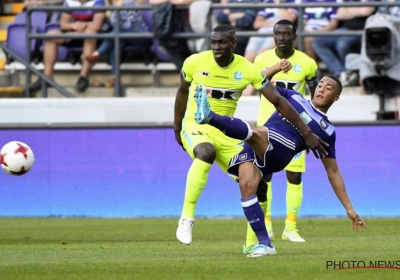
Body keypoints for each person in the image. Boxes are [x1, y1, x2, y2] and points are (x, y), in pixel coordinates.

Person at [174, 24, 327, 246]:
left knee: (260, 183)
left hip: (226, 134)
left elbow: (278, 100)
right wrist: (177, 127)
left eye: (223, 42)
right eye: (214, 42)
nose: (217, 47)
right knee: (206, 152)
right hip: (195, 126)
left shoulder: (247, 69)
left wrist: (307, 131)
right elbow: (182, 91)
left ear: (233, 44)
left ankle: (252, 244)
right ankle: (186, 218)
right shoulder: (194, 62)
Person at [193, 73, 368, 257]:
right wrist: (275, 68)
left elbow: (332, 171)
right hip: (258, 143)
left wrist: (349, 208)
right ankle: (265, 244)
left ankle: (209, 117)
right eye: (321, 85)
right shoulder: (294, 96)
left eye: (329, 88)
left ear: (336, 97)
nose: (322, 89)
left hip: (282, 148)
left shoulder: (327, 130)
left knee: (256, 131)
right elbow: (263, 83)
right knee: (247, 186)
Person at [245, 19, 319, 245]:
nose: (282, 37)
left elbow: (314, 101)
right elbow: (254, 85)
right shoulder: (261, 59)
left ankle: (291, 227)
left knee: (294, 176)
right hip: (266, 127)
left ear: (294, 36)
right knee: (263, 177)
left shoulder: (307, 63)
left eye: (287, 34)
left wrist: (310, 131)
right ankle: (266, 224)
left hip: (295, 129)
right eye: (278, 33)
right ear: (274, 35)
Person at [29, 0, 106, 93]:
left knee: (90, 34)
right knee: (51, 35)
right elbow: (64, 24)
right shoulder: (69, 2)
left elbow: (96, 25)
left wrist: (75, 32)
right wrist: (73, 26)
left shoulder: (99, 2)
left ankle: (83, 77)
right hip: (74, 32)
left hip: (95, 36)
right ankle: (47, 77)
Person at [85, 0, 152, 87]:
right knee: (117, 43)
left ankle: (97, 53)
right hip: (123, 37)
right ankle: (115, 78)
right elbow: (107, 26)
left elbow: (130, 25)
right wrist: (90, 25)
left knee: (117, 33)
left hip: (140, 35)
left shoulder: (128, 3)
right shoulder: (109, 7)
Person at [312, 0, 376, 87]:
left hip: (360, 30)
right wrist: (357, 11)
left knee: (342, 44)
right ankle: (341, 72)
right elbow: (339, 14)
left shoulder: (370, 1)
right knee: (318, 42)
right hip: (344, 30)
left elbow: (365, 11)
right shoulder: (348, 1)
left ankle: (349, 72)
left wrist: (348, 10)